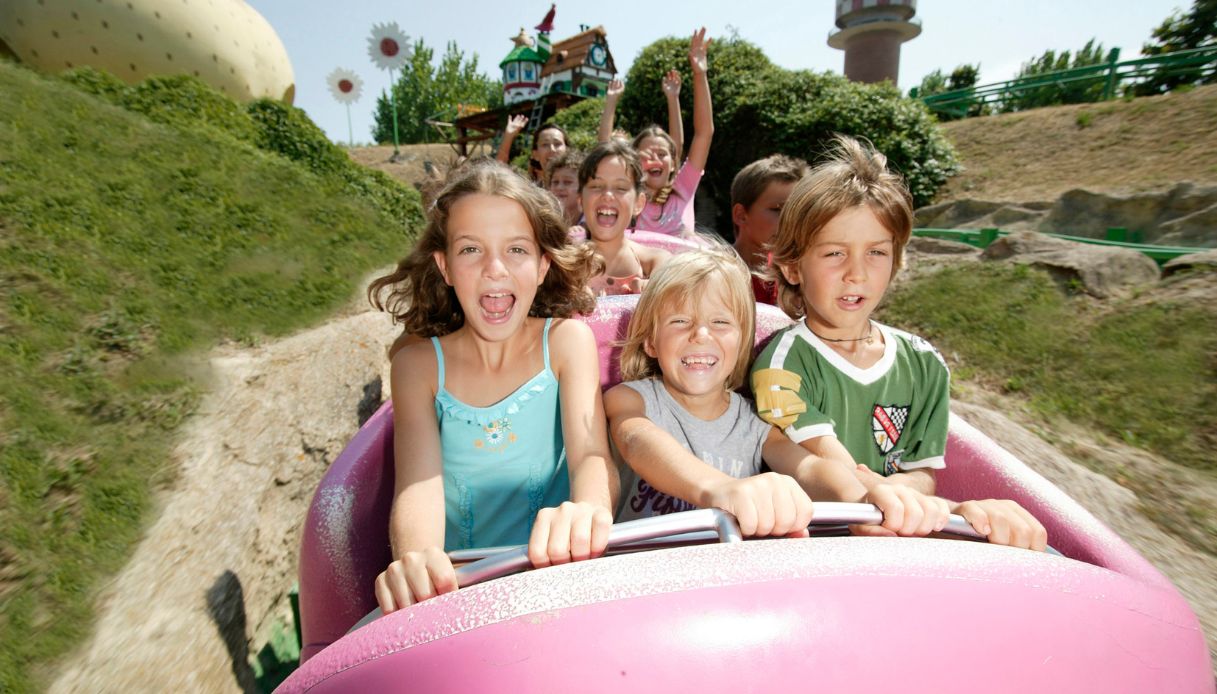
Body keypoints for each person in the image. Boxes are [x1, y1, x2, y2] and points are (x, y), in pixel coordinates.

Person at [750, 135, 1048, 550]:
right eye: (835, 253)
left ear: (896, 260)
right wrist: (941, 508)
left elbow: (920, 472)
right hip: (815, 546)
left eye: (876, 252)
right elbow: (818, 460)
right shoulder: (782, 365)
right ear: (792, 267)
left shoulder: (925, 363)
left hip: (900, 541)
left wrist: (916, 504)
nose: (857, 273)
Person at [366, 159, 618, 613]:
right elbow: (417, 488)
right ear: (444, 266)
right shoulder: (418, 367)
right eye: (470, 250)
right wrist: (417, 559)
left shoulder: (565, 343)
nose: (495, 269)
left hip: (560, 575)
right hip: (460, 590)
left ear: (543, 265)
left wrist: (588, 510)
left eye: (517, 249)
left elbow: (590, 456)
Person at [606, 245, 962, 538]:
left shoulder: (755, 425)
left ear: (741, 340)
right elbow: (638, 441)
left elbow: (810, 468)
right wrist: (720, 489)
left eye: (720, 323)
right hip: (641, 570)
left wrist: (867, 501)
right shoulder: (632, 400)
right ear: (651, 341)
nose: (701, 335)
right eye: (680, 321)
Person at [598, 28, 714, 238]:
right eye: (647, 154)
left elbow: (704, 133)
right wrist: (612, 101)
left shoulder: (683, 187)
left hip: (680, 270)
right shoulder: (628, 197)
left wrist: (700, 74)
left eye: (662, 154)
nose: (655, 158)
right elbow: (604, 150)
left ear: (672, 163)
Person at [579, 140, 671, 296]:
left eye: (620, 188)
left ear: (639, 203)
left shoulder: (653, 261)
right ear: (580, 200)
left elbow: (670, 278)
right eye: (596, 186)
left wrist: (654, 288)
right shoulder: (564, 266)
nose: (607, 195)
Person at [730, 155, 810, 304]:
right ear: (741, 215)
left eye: (798, 212)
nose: (790, 221)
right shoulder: (712, 274)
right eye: (778, 210)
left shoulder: (798, 276)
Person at [497, 117, 568, 184]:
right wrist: (508, 136)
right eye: (545, 144)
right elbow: (499, 174)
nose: (552, 149)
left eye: (557, 143)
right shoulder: (532, 191)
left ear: (567, 150)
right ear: (535, 154)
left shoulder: (578, 180)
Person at [545, 149, 584, 227]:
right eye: (555, 182)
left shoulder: (592, 224)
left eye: (567, 182)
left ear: (583, 187)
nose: (559, 187)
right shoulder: (545, 223)